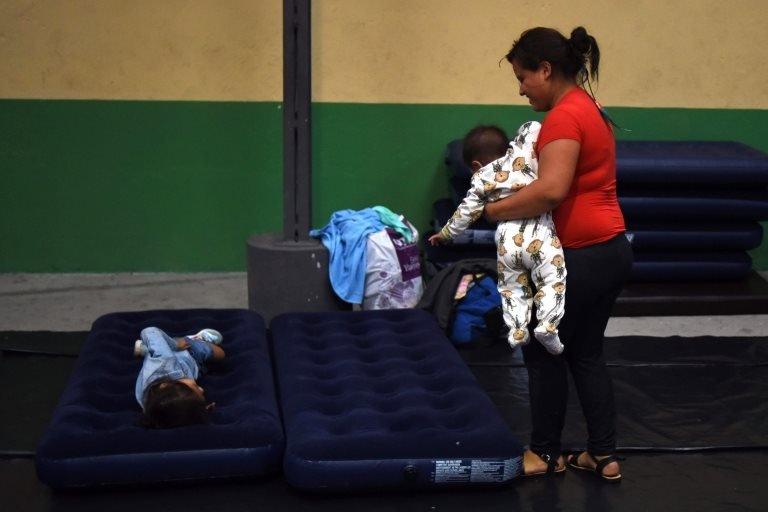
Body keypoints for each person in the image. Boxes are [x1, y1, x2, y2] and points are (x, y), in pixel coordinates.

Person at [484, 26, 633, 481]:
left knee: (542, 352)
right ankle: (602, 456)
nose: (521, 88)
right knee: (586, 352)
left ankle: (546, 453)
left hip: (579, 260)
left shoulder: (565, 117)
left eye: (524, 77)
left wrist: (493, 210)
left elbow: (551, 191)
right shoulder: (589, 106)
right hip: (610, 250)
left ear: (545, 70)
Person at [428, 122, 566, 355]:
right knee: (553, 280)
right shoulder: (526, 164)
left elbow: (465, 213)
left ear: (475, 166)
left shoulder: (482, 179)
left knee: (512, 287)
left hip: (509, 241)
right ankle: (548, 326)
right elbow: (533, 131)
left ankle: (517, 329)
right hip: (541, 236)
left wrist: (445, 234)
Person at [134, 326, 225, 428]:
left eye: (195, 388)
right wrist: (201, 409)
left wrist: (176, 345)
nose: (201, 389)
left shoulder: (165, 361)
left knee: (220, 353)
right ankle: (146, 349)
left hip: (187, 353)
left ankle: (192, 339)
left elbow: (150, 331)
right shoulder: (156, 406)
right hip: (194, 369)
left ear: (165, 385)